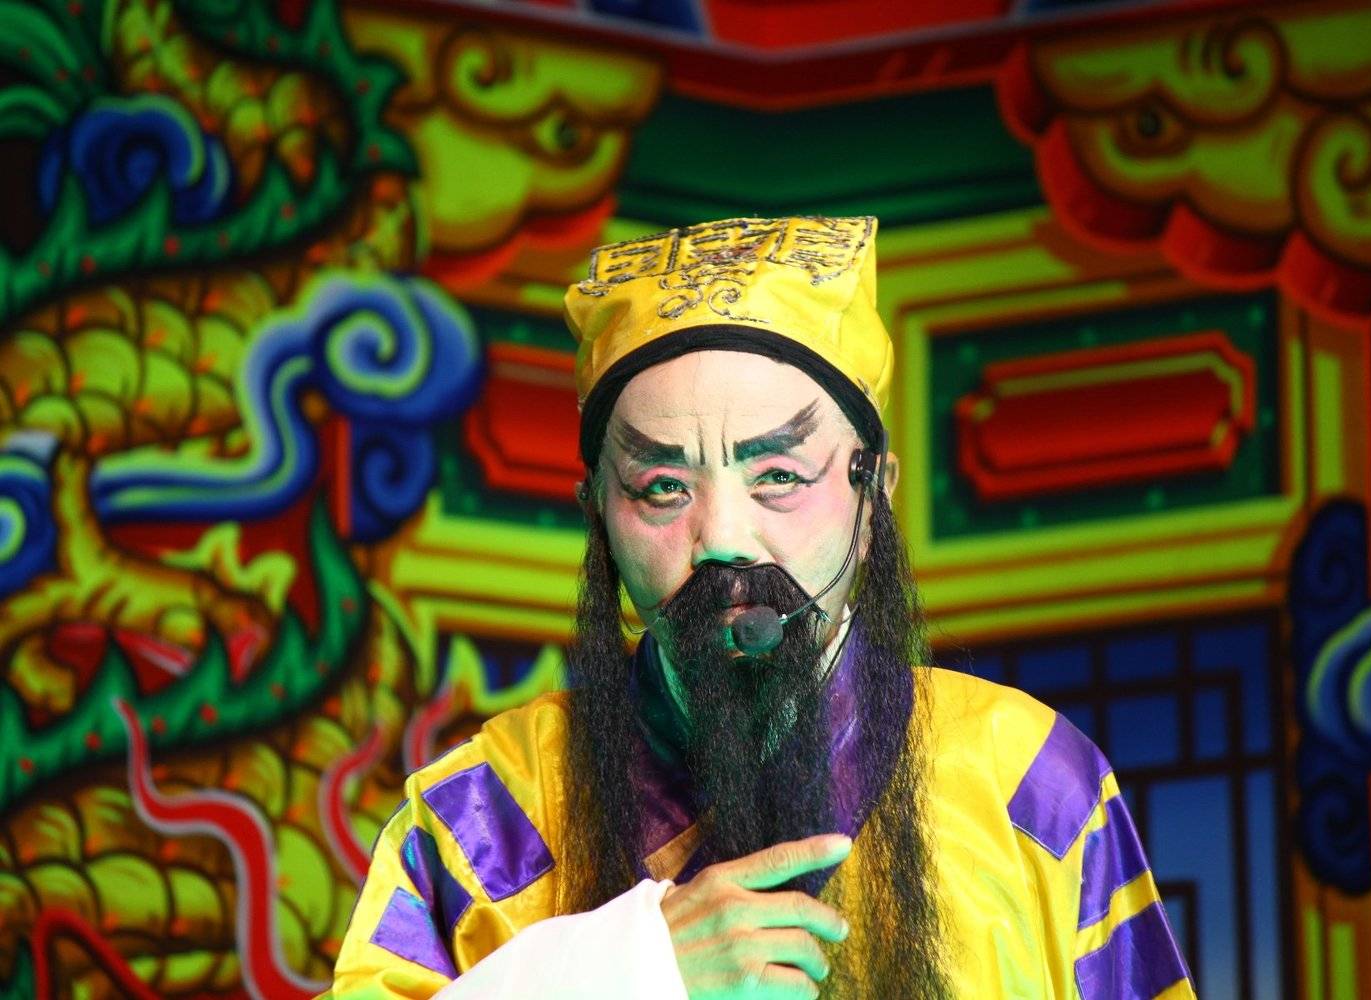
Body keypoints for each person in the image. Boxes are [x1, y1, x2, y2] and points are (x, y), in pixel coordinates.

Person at [328, 216, 1195, 998]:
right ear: (598, 514)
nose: (722, 539)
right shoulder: (486, 819)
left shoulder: (1027, 788)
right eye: (662, 487)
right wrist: (631, 972)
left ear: (873, 499)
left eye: (778, 475)